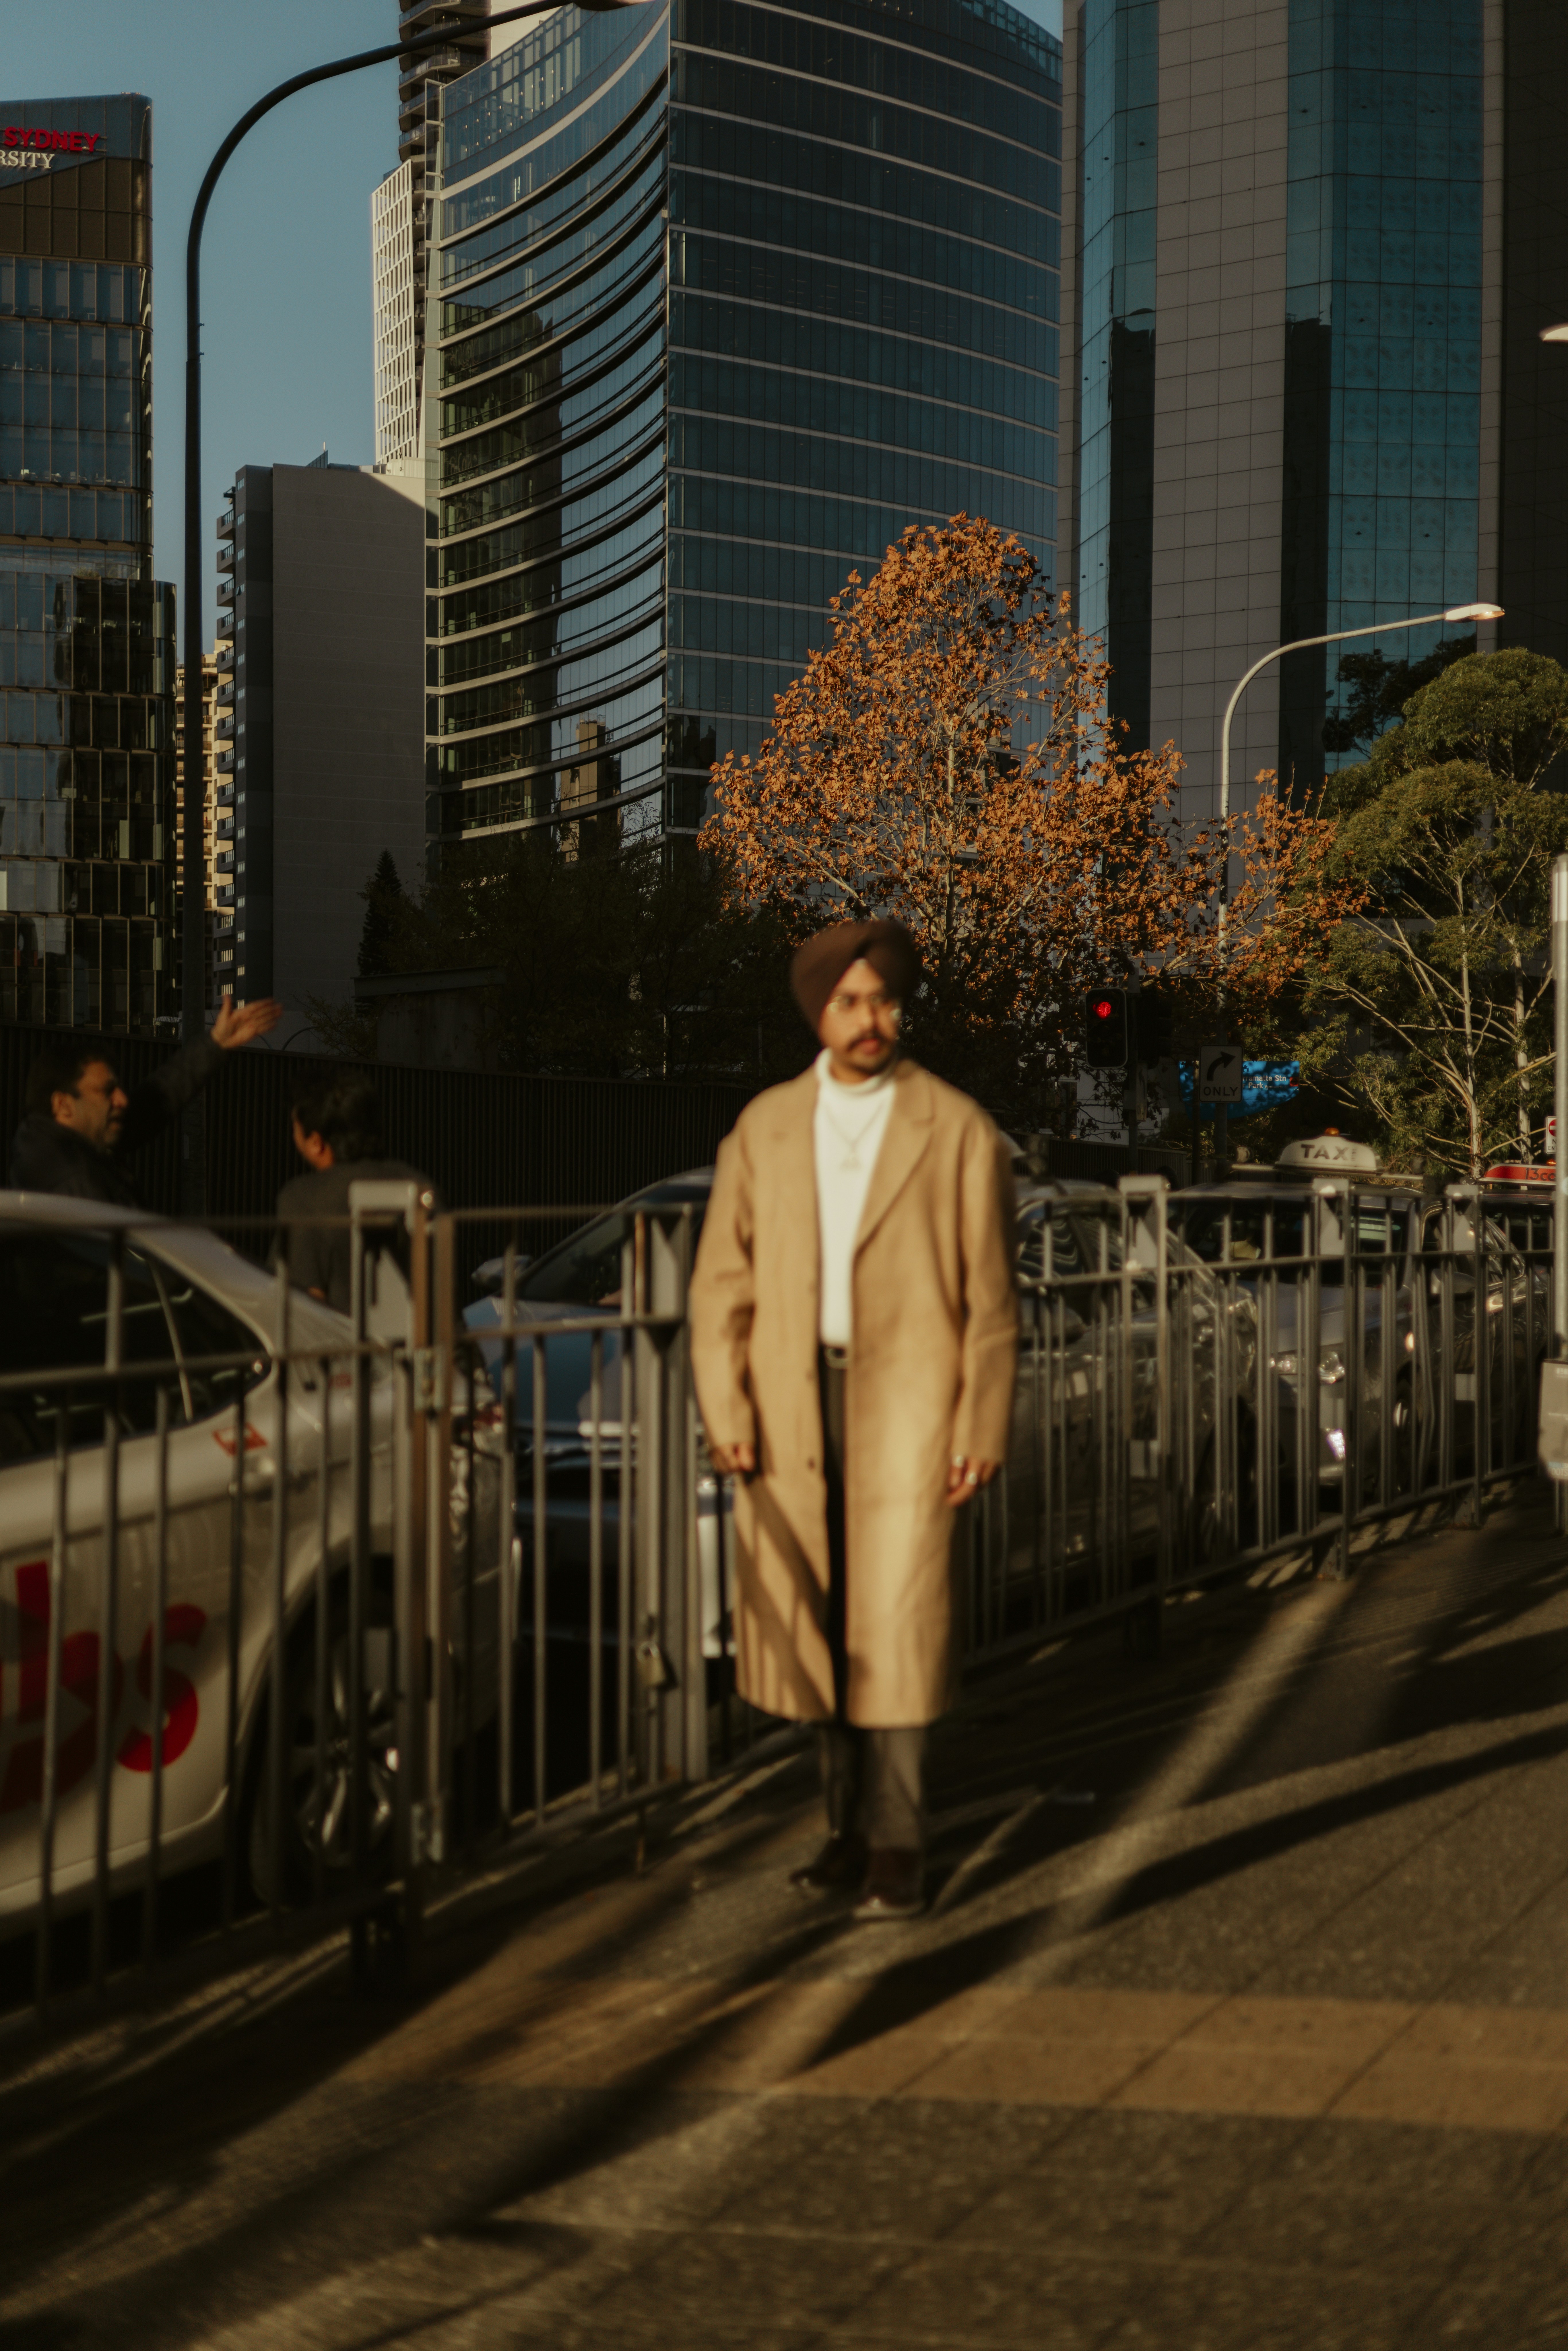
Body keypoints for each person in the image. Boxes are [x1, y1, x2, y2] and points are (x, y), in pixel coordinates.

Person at [688, 917, 1018, 1921]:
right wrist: (726, 1407)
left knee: (897, 1631)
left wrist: (980, 1426)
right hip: (791, 1406)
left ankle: (898, 1848)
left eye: (882, 1000)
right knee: (818, 1627)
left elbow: (991, 1301)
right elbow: (720, 1285)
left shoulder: (955, 1128)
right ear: (818, 1014)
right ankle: (841, 1832)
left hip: (909, 1410)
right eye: (848, 1002)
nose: (869, 1019)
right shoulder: (763, 1128)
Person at [9, 998, 284, 1207]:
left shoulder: (45, 1142)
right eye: (107, 1092)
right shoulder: (76, 1180)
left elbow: (153, 1103)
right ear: (63, 1105)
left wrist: (216, 1044)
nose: (122, 1100)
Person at [275, 1072, 428, 1314]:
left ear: (315, 1143)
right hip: (427, 1337)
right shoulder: (419, 1185)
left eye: (295, 1128)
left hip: (344, 1337)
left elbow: (304, 1307)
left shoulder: (302, 1199)